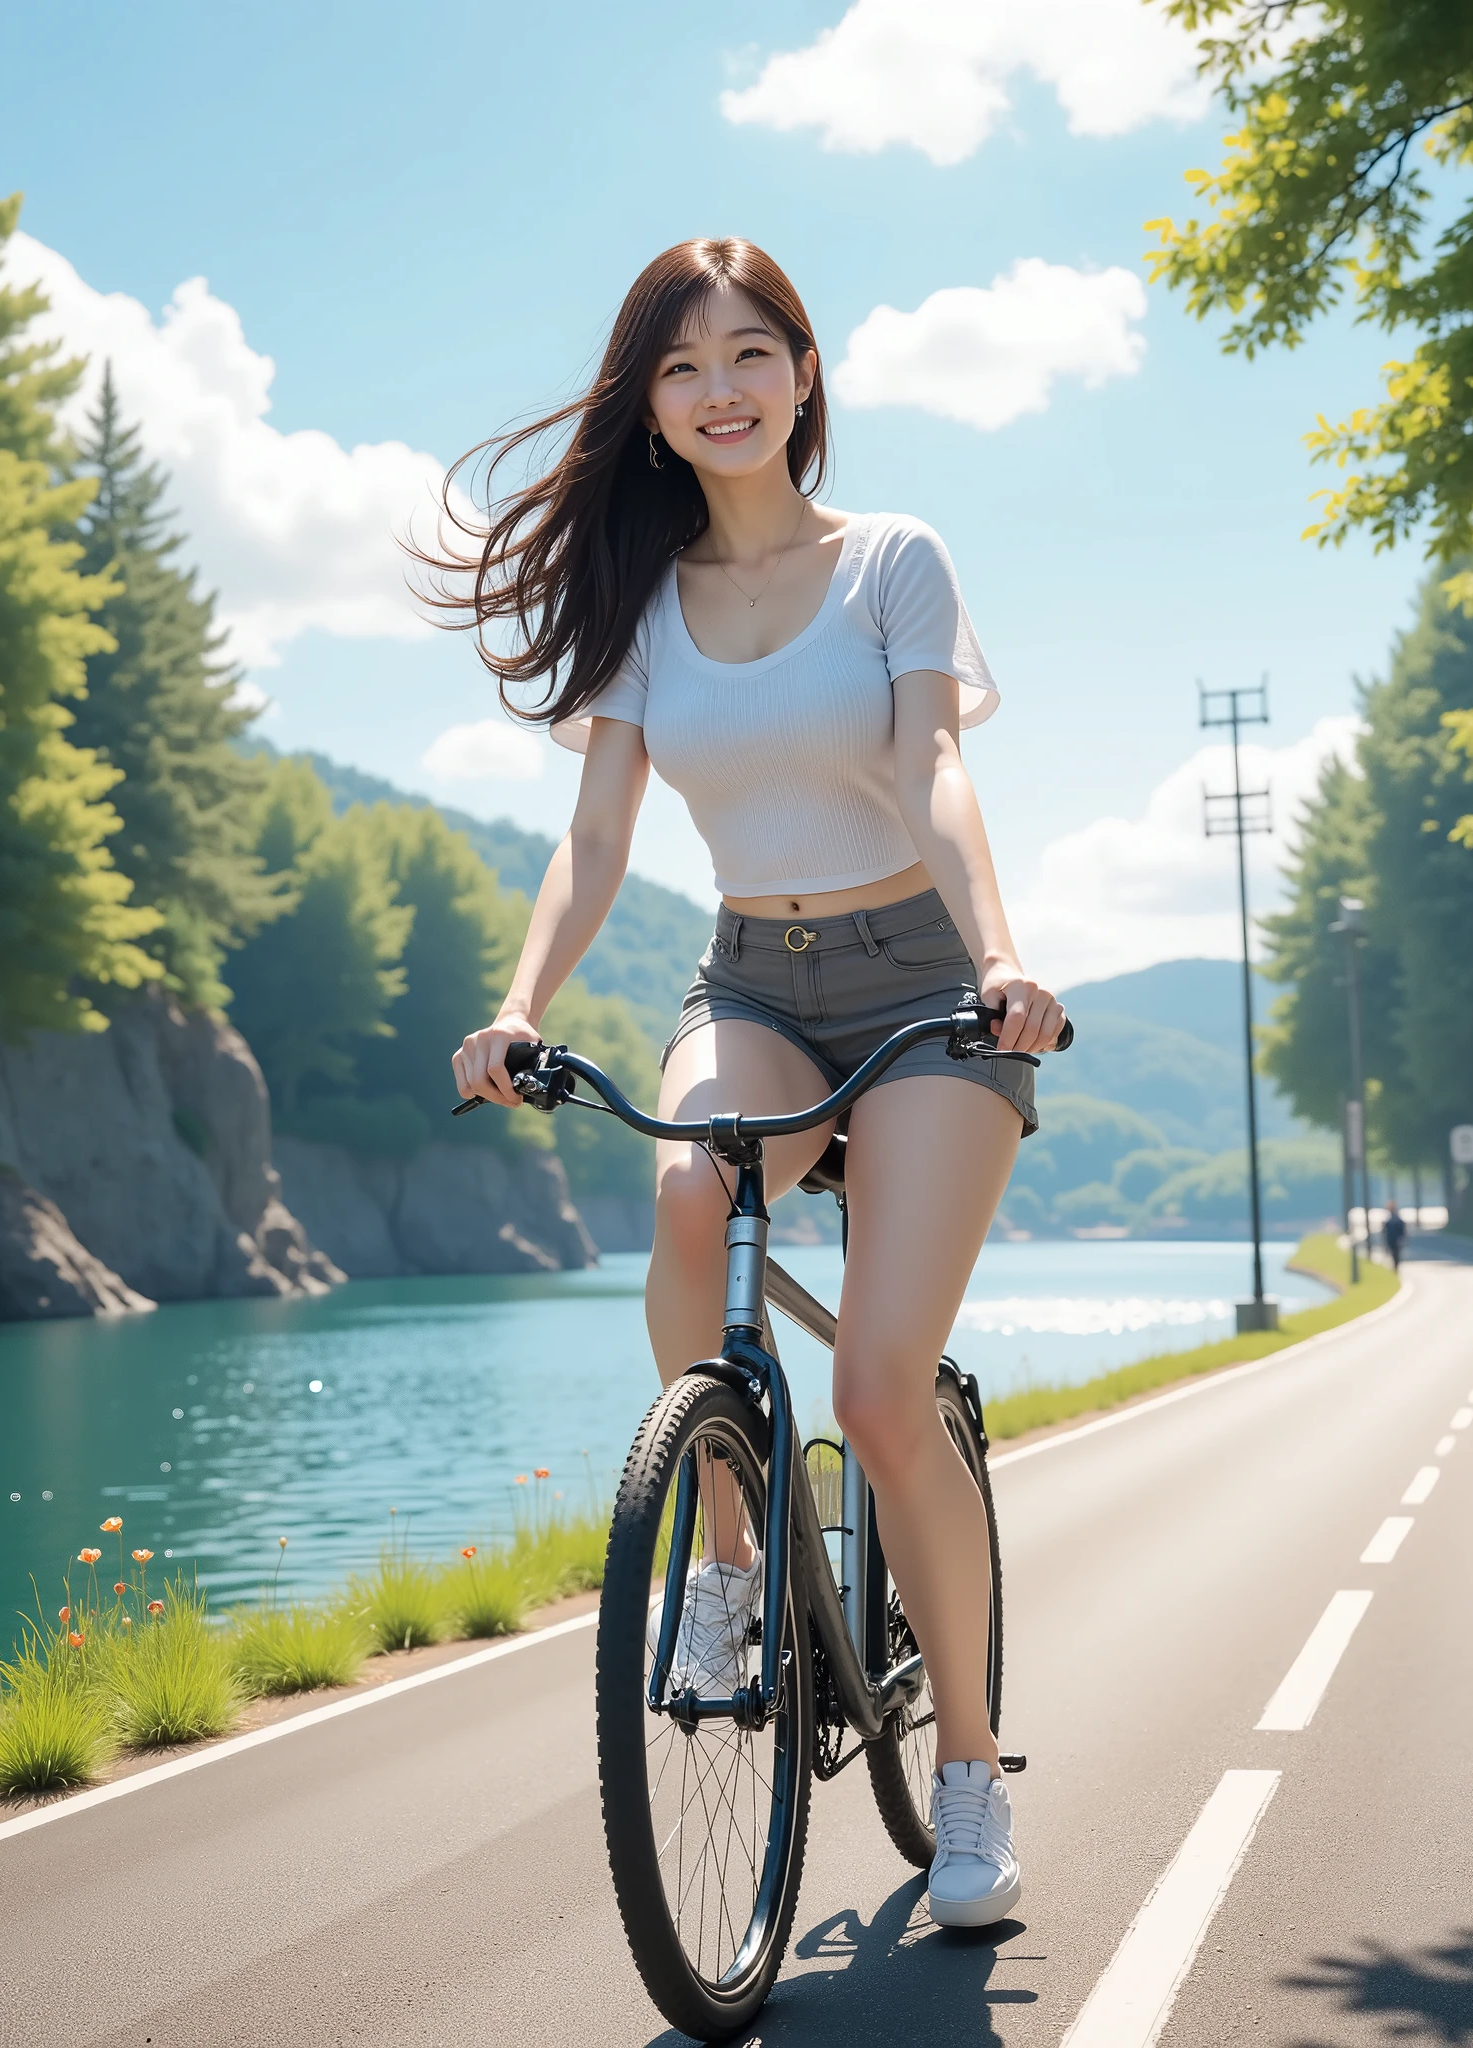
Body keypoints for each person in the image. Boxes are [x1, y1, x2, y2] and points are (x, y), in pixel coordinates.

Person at [432, 238, 1063, 1929]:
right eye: (680, 368)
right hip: (753, 978)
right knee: (686, 1187)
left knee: (870, 1388)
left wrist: (999, 953)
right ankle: (726, 1564)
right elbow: (594, 837)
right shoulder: (645, 609)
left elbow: (933, 762)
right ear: (648, 408)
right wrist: (514, 1000)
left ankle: (972, 1777)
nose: (719, 390)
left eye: (748, 355)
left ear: (801, 374)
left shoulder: (892, 561)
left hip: (928, 984)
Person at [1382, 1199, 1407, 1269]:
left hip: (1396, 1238)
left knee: (1396, 1253)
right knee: (1392, 1253)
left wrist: (1401, 1238)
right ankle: (1394, 1265)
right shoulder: (1387, 1217)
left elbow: (1402, 1228)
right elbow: (1385, 1229)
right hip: (1390, 1238)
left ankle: (1396, 1265)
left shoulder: (1397, 1217)